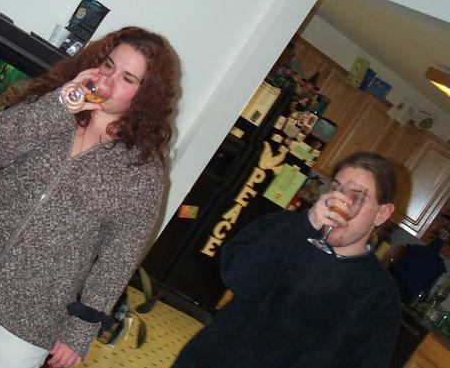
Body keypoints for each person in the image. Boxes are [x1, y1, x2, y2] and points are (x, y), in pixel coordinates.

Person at [0, 26, 179, 368]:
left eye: (128, 78)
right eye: (108, 64)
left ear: (145, 96)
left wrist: (81, 329)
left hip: (34, 311)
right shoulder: (55, 103)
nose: (108, 79)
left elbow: (119, 257)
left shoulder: (142, 171)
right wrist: (60, 105)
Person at [172, 151, 401, 368]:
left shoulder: (379, 293)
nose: (341, 203)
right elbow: (237, 278)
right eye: (336, 189)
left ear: (382, 213)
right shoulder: (285, 227)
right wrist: (304, 225)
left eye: (356, 197)